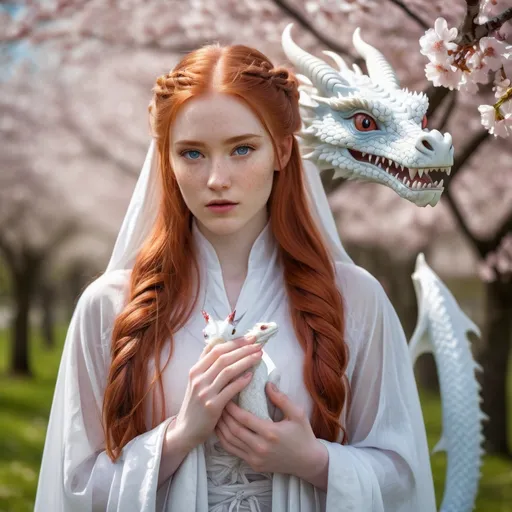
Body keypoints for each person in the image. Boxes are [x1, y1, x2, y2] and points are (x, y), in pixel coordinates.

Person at [34, 40, 437, 512]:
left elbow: (403, 474)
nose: (216, 179)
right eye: (192, 153)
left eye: (242, 149)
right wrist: (177, 438)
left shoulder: (355, 298)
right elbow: (75, 486)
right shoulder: (109, 305)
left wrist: (313, 461)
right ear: (166, 160)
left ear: (282, 151)